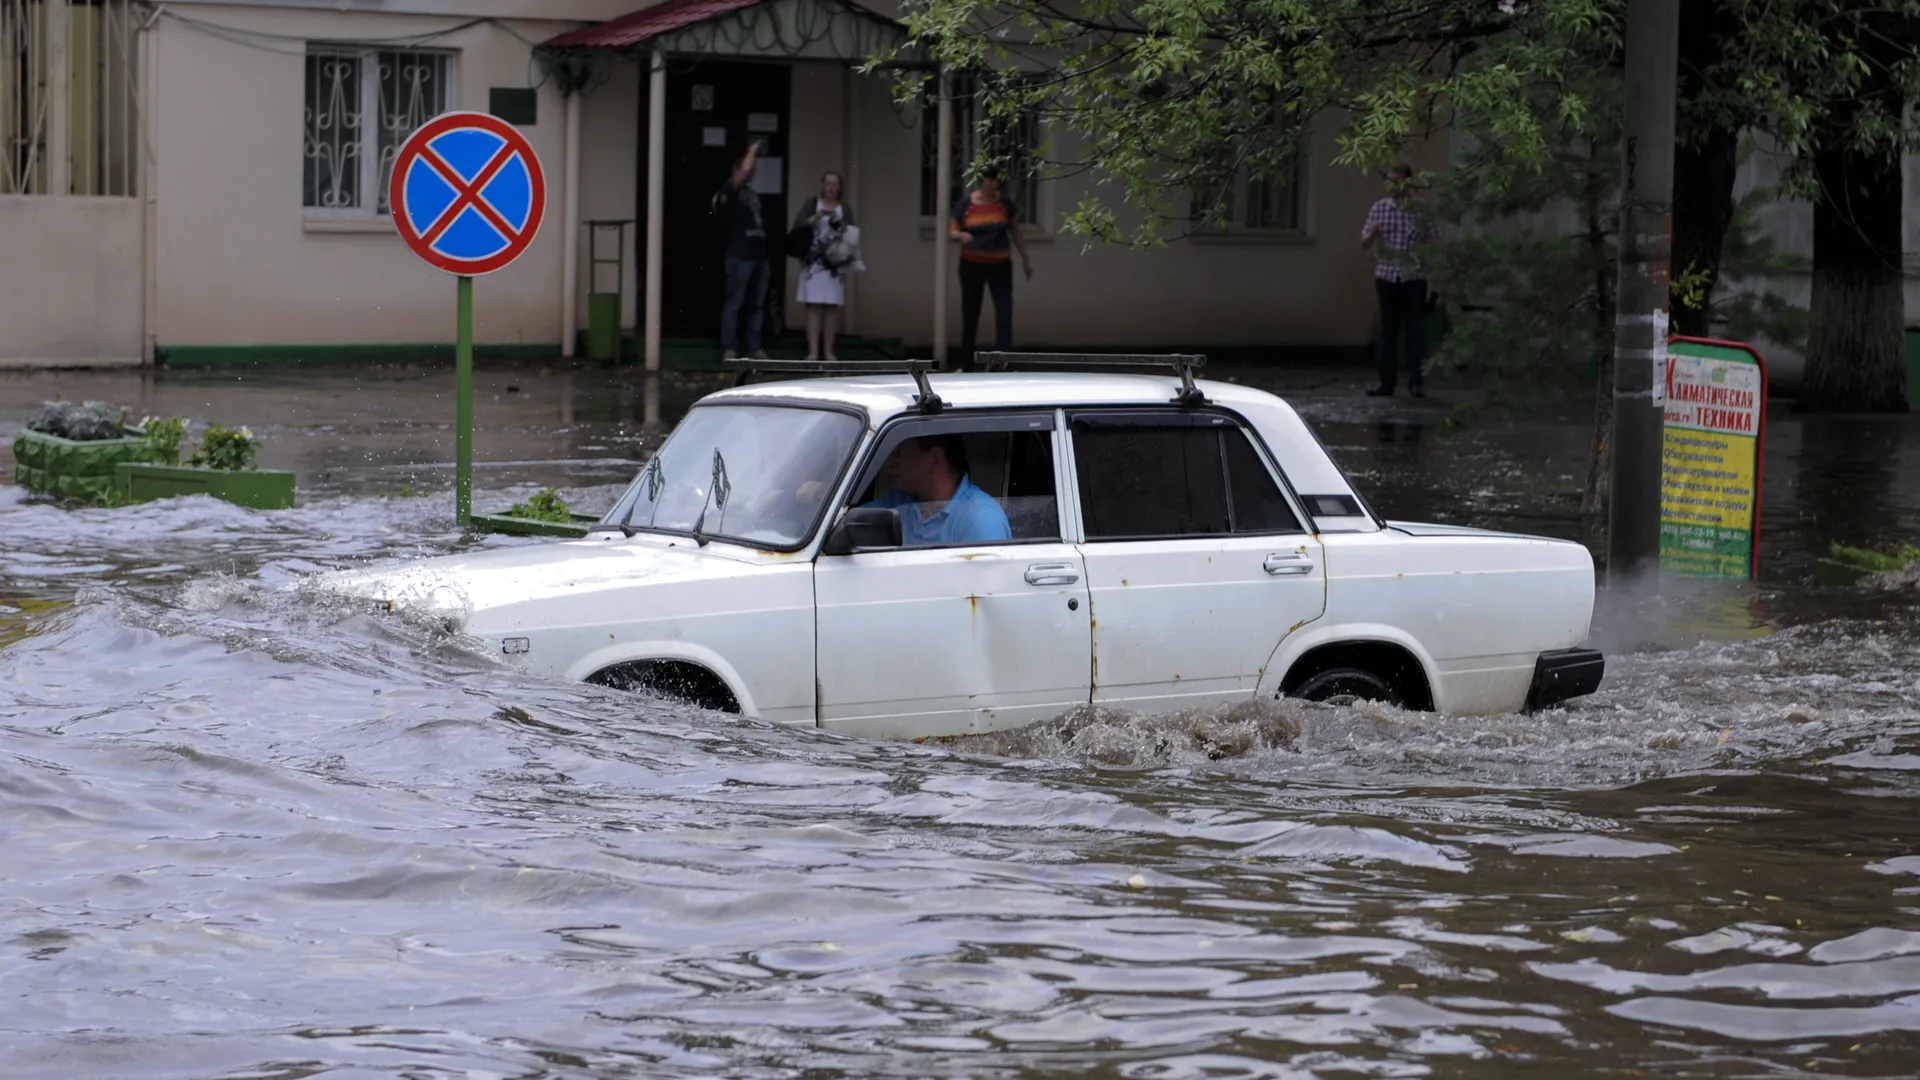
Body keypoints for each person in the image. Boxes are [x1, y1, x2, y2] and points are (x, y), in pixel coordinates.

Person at [1360, 163, 1440, 398]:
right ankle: (1386, 383)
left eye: (1397, 180)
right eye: (1389, 180)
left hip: (1413, 277)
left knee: (1415, 332)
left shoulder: (1421, 210)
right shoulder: (1379, 208)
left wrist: (1427, 260)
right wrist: (1373, 232)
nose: (1392, 185)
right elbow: (1364, 242)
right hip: (1386, 277)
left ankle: (1416, 383)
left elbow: (1435, 241)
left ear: (1408, 183)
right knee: (1388, 332)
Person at [860, 434, 1011, 546]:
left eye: (901, 453)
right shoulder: (899, 502)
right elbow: (846, 525)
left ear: (935, 460)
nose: (890, 463)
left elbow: (985, 586)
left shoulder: (979, 519)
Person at [950, 172, 1033, 372]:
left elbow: (1015, 232)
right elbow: (952, 231)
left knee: (1004, 313)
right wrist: (962, 236)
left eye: (996, 180)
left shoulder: (1005, 204)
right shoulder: (966, 205)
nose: (994, 184)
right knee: (971, 313)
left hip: (1000, 265)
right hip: (972, 265)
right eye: (990, 180)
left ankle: (1003, 363)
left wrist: (1026, 259)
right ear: (981, 182)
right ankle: (966, 364)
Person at [791, 171, 857, 361]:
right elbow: (798, 225)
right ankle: (813, 351)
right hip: (813, 264)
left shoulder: (844, 208)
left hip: (834, 266)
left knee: (831, 308)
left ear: (840, 188)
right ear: (822, 185)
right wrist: (815, 218)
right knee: (813, 307)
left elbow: (853, 234)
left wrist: (841, 223)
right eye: (828, 183)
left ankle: (829, 352)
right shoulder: (812, 204)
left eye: (835, 184)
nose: (831, 188)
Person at [714, 142, 770, 361]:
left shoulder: (753, 194)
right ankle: (730, 347)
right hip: (739, 257)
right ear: (737, 171)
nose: (752, 172)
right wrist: (753, 149)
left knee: (756, 305)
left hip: (759, 257)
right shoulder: (730, 190)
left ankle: (755, 348)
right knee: (734, 303)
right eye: (749, 168)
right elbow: (744, 171)